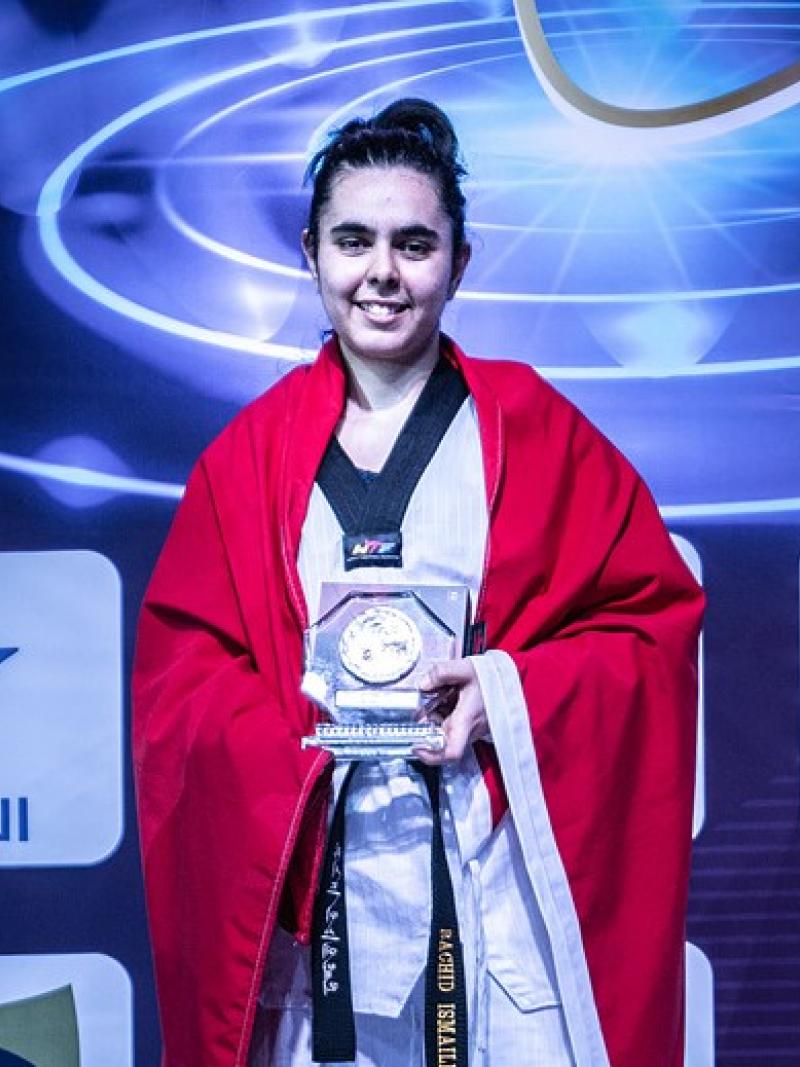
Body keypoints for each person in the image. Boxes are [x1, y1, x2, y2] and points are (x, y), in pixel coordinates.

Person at [133, 98, 704, 1067]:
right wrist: (281, 738)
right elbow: (181, 681)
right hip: (321, 892)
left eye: (414, 243)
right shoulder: (248, 455)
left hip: (495, 886)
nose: (382, 275)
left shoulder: (531, 425)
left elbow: (644, 623)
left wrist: (507, 691)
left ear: (459, 261)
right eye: (353, 241)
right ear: (310, 251)